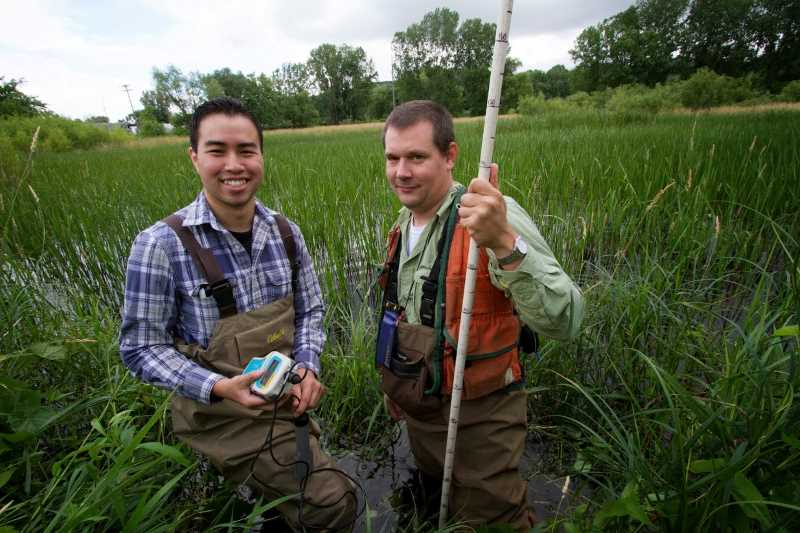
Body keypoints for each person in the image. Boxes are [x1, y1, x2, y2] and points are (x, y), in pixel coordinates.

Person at [120, 97, 356, 531]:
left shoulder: (285, 232)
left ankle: (267, 504)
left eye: (246, 150)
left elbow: (311, 311)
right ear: (194, 158)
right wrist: (219, 387)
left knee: (298, 494)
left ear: (261, 156)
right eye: (217, 150)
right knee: (335, 504)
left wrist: (307, 367)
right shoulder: (159, 245)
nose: (234, 164)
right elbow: (140, 349)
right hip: (219, 415)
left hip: (281, 400)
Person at [376, 100, 584, 530]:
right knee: (436, 501)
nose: (402, 171)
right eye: (393, 158)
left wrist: (504, 242)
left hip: (481, 413)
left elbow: (567, 318)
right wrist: (396, 385)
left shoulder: (489, 215)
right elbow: (407, 314)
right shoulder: (403, 222)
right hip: (422, 405)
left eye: (416, 157)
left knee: (493, 519)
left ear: (450, 156)